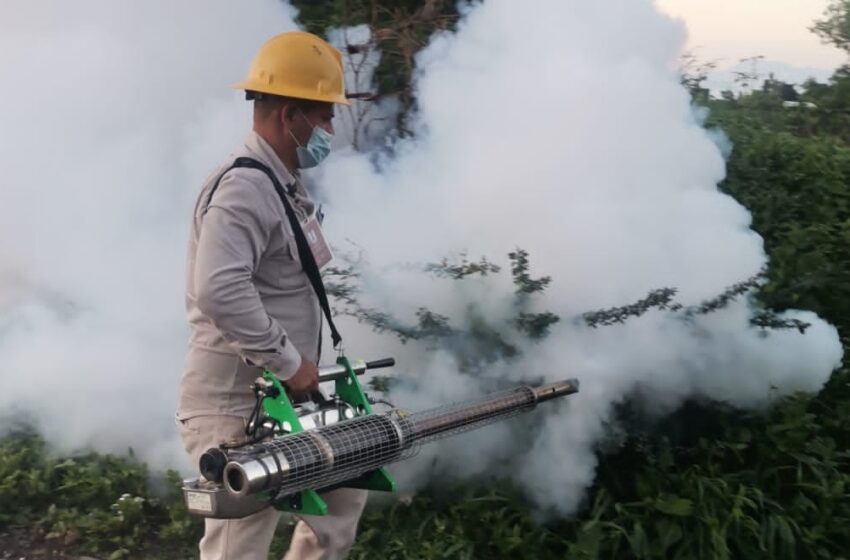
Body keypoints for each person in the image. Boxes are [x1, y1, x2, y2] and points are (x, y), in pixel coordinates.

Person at [176, 31, 367, 560]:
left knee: (342, 499)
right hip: (237, 406)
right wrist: (287, 361)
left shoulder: (277, 184)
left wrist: (294, 373)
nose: (329, 130)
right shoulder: (242, 189)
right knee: (239, 544)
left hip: (282, 398)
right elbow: (219, 289)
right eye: (324, 117)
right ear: (290, 116)